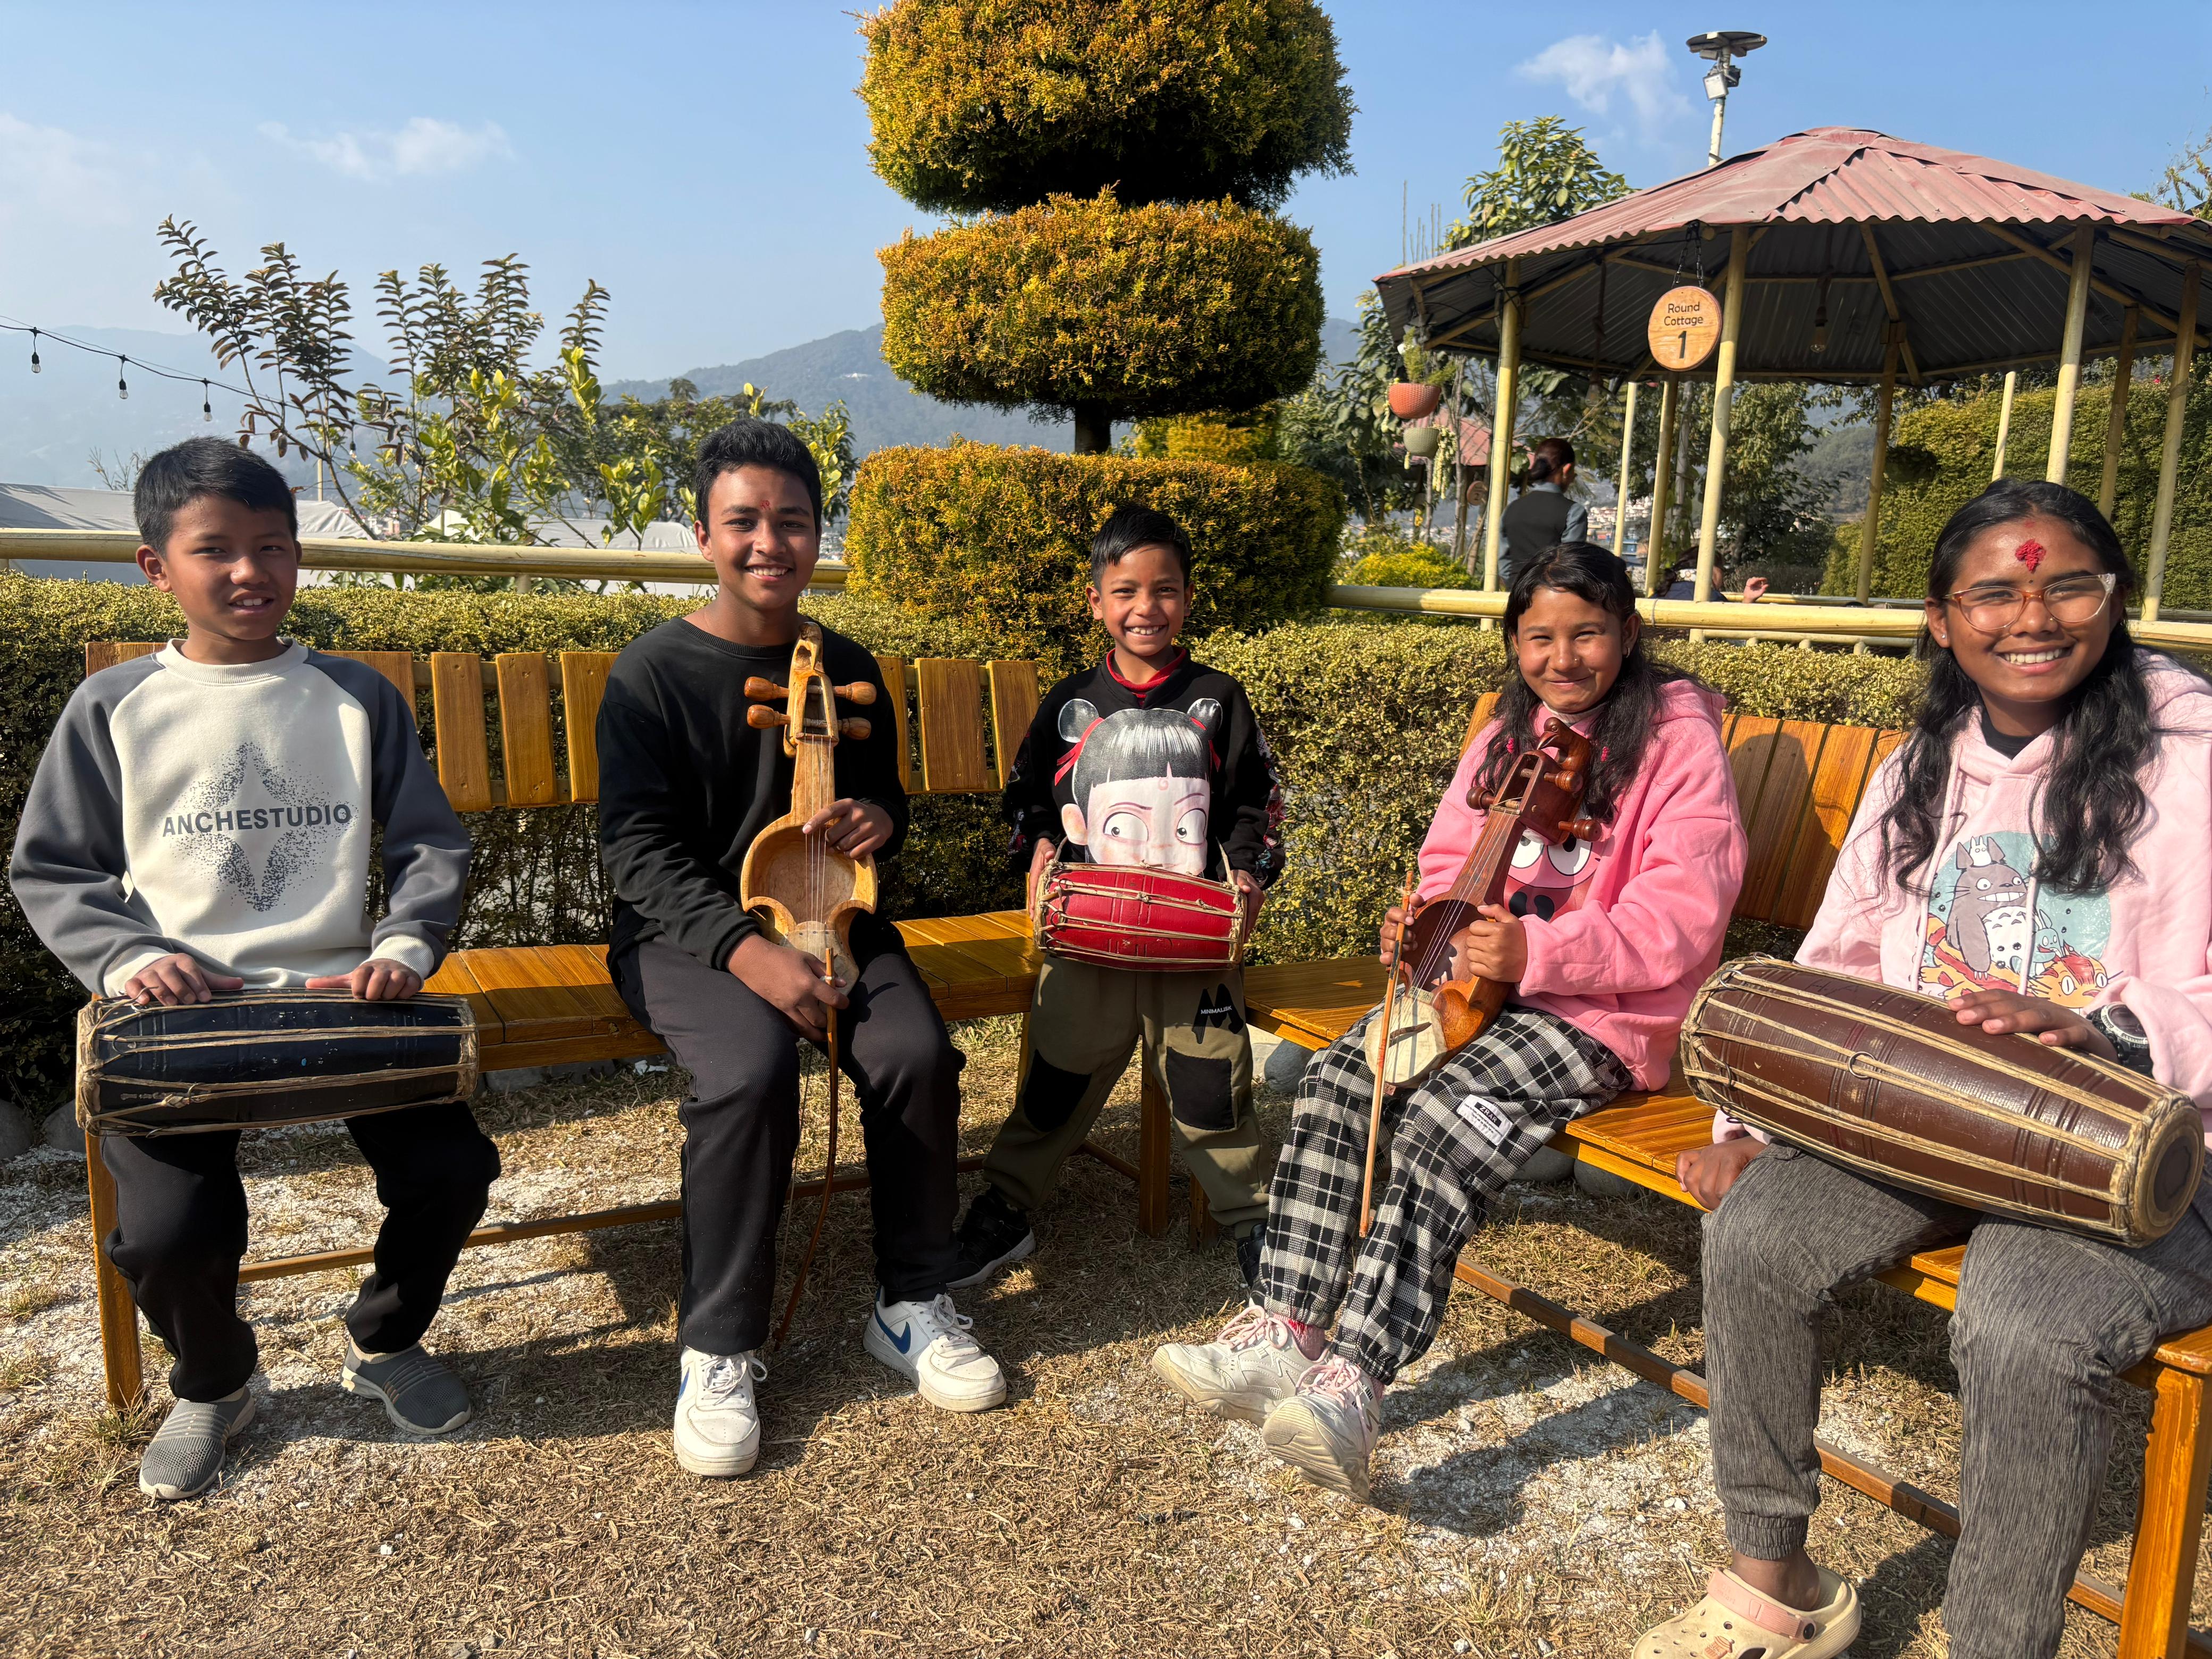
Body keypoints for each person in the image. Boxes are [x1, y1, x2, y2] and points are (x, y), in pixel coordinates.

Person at [1643, 479, 2212, 1659]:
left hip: (2141, 1146)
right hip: (1934, 1117)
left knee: (2017, 1327)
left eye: (2068, 585)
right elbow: (1842, 951)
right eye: (1994, 592)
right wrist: (1752, 1114)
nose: (2032, 617)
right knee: (1754, 1234)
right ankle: (1776, 1574)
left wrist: (2111, 1031)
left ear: (2115, 601)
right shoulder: (1925, 765)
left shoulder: (2190, 753)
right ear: (1943, 617)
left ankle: (1999, 1644)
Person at [1149, 542, 1746, 1499]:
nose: (1564, 658)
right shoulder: (1512, 732)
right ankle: (1287, 1328)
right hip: (1474, 990)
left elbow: (1683, 920)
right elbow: (1446, 861)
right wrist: (1426, 926)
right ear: (1514, 642)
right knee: (1345, 1075)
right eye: (1539, 637)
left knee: (1442, 1118)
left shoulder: (1678, 744)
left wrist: (1540, 955)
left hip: (1604, 1013)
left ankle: (1355, 1381)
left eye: (1588, 633)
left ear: (1629, 633)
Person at [9, 437, 490, 1502]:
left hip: (342, 1000)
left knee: (454, 1172)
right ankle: (219, 1380)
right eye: (214, 550)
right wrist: (132, 954)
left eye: (271, 546)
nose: (248, 572)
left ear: (297, 556)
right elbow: (52, 868)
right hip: (183, 1018)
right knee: (169, 1231)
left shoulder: (353, 695)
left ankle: (384, 1337)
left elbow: (428, 845)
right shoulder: (117, 708)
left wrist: (403, 947)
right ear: (155, 568)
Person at [597, 418, 1006, 1480]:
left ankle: (911, 1298)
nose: (768, 543)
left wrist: (877, 822)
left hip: (830, 914)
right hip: (689, 933)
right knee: (746, 1074)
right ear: (701, 534)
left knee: (915, 1054)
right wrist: (746, 952)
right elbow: (635, 854)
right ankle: (718, 1343)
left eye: (792, 522)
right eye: (743, 522)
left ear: (820, 536)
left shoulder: (844, 663)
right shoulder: (652, 674)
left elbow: (889, 805)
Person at [951, 506, 1285, 1293]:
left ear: (1190, 598)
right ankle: (1007, 1207)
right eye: (1126, 590)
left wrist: (1246, 875)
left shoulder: (1219, 699)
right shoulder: (1071, 702)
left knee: (1214, 1090)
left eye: (1165, 589)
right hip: (1086, 939)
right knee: (1055, 1080)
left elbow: (1256, 803)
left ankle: (1252, 1225)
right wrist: (1035, 851)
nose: (1147, 608)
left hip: (1192, 945)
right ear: (1096, 599)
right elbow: (1029, 798)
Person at [1497, 438, 1587, 589]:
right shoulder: (1573, 512)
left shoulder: (1511, 509)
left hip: (1516, 595)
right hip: (1551, 600)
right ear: (1567, 470)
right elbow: (1570, 566)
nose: (1572, 479)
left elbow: (1504, 565)